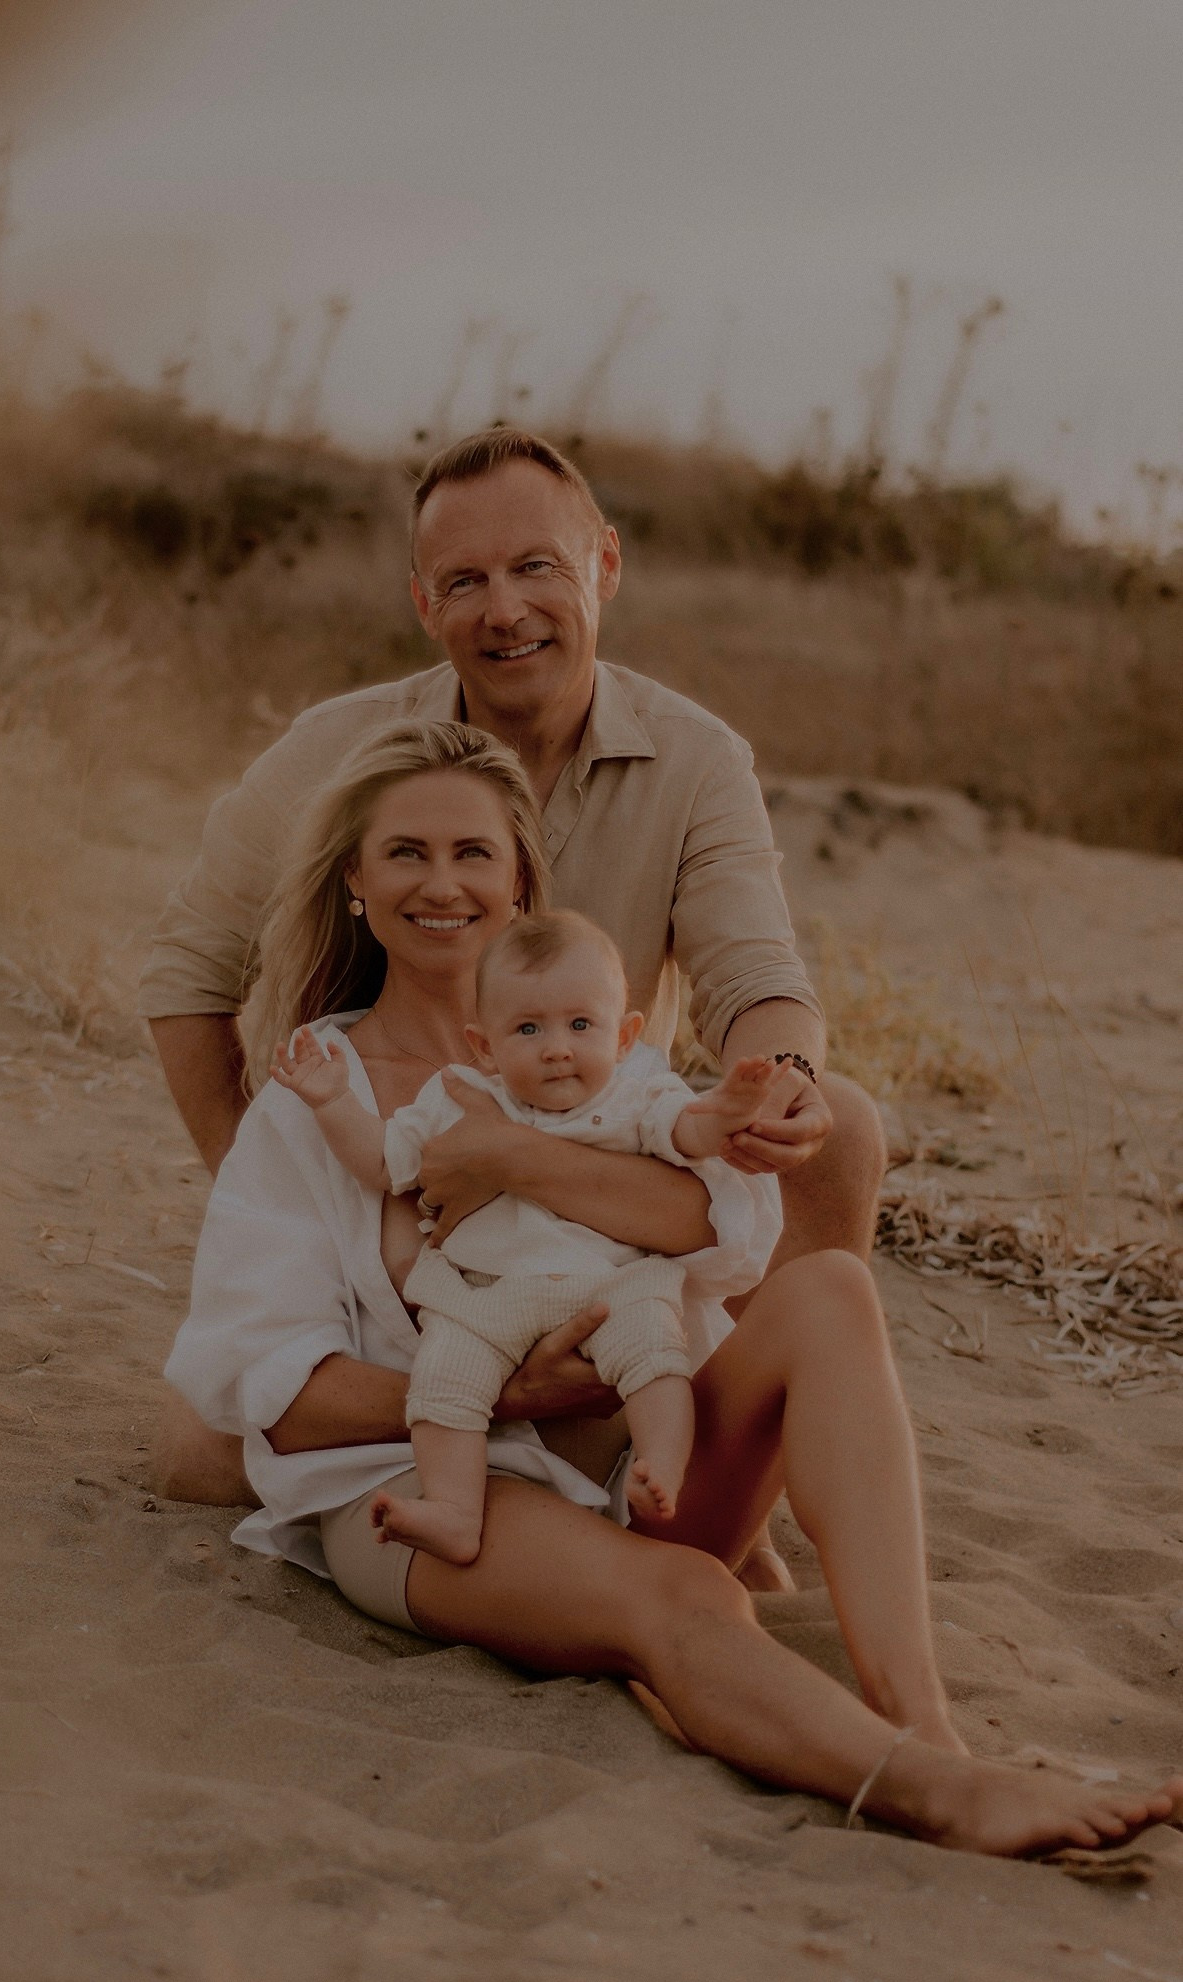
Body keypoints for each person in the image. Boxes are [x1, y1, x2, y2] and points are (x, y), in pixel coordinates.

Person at [164, 718, 1183, 1858]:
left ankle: (928, 1719)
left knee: (831, 1287)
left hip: (631, 1453)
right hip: (425, 1481)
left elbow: (721, 1230)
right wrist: (509, 1394)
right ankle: (932, 1792)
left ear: (516, 883)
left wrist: (513, 1156)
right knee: (693, 1602)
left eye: (473, 854)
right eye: (405, 852)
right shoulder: (315, 1102)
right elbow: (280, 1396)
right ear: (355, 880)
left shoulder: (595, 1059)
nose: (441, 882)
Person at [143, 428, 888, 1568]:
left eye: (537, 566)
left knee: (840, 1127)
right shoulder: (335, 750)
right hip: (407, 1183)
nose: (506, 609)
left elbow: (757, 978)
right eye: (466, 580)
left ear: (605, 566)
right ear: (420, 602)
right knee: (196, 1449)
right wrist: (269, 1180)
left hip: (602, 1158)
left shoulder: (696, 759)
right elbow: (188, 975)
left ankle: (727, 1483)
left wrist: (776, 1080)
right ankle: (511, 1444)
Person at [272, 906, 798, 1558]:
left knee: (655, 1352)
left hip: (611, 1284)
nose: (557, 1047)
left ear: (624, 1035)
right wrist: (331, 1102)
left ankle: (661, 1465)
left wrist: (724, 1112)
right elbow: (383, 1162)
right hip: (484, 1294)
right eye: (527, 1028)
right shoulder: (456, 1098)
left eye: (581, 1025)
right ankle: (454, 1512)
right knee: (441, 1384)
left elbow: (686, 1135)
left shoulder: (634, 1099)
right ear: (484, 1045)